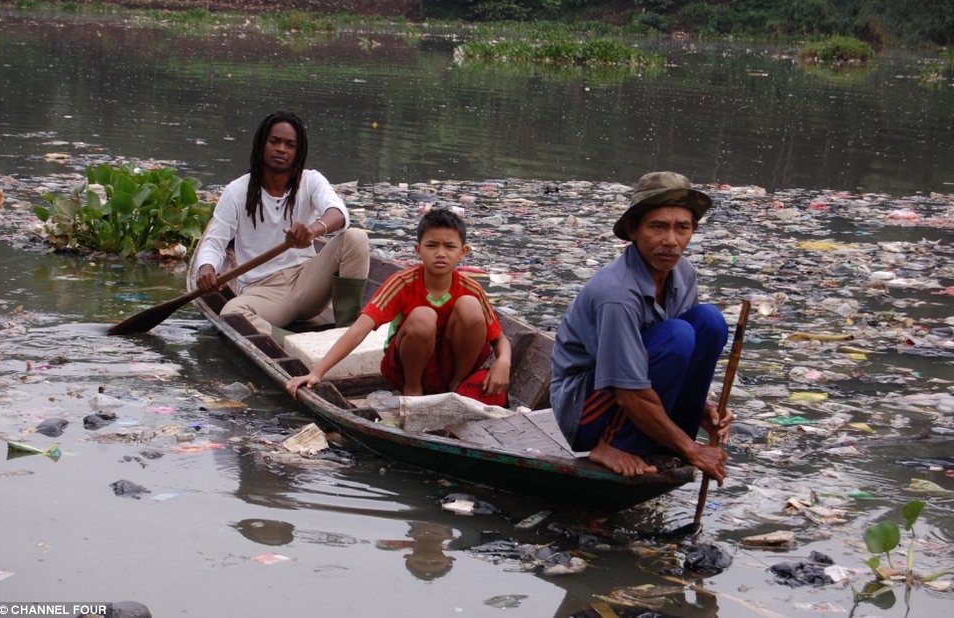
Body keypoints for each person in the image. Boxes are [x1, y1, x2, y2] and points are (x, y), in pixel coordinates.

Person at [550, 171, 733, 483]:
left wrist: (701, 408)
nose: (671, 241)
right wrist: (692, 450)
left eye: (682, 229)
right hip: (586, 410)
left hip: (635, 391)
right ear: (634, 230)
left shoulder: (683, 273)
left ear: (693, 231)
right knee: (678, 335)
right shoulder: (617, 294)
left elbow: (677, 359)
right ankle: (610, 445)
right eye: (658, 227)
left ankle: (662, 437)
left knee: (709, 321)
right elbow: (629, 391)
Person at [286, 208, 511, 403]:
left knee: (470, 307)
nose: (440, 253)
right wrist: (317, 373)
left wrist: (503, 361)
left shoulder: (471, 288)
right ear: (417, 250)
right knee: (423, 316)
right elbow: (358, 330)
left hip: (451, 366)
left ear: (463, 252)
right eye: (431, 245)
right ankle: (412, 391)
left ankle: (457, 386)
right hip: (409, 369)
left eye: (449, 247)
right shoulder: (403, 283)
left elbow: (499, 338)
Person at [194, 110, 370, 335]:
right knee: (233, 314)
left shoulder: (310, 180)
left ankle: (348, 331)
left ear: (298, 152)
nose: (281, 149)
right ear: (262, 145)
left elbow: (338, 212)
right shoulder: (236, 191)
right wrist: (206, 268)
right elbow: (214, 242)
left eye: (290, 145)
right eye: (274, 141)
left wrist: (313, 231)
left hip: (307, 281)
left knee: (356, 237)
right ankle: (290, 344)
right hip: (264, 291)